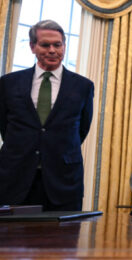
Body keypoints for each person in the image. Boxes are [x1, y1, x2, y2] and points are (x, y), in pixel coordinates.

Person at [0, 20, 94, 211]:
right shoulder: (8, 83)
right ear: (33, 47)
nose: (52, 50)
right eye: (45, 45)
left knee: (62, 240)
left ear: (64, 46)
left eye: (57, 45)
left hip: (64, 181)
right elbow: (4, 126)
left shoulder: (83, 86)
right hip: (15, 178)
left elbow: (81, 130)